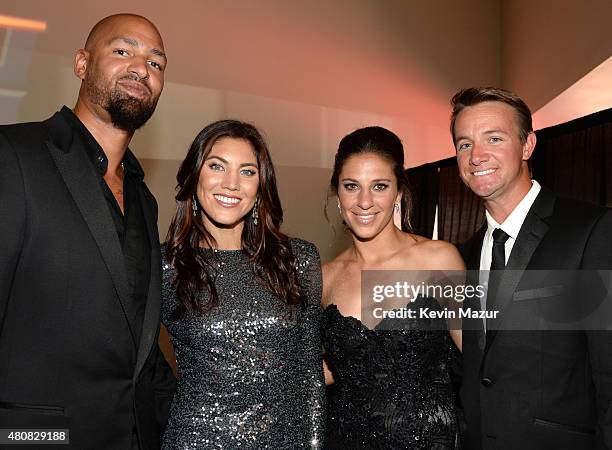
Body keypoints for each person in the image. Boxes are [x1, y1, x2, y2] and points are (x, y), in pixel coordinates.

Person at [0, 14, 175, 449]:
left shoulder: (144, 200)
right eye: (123, 51)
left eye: (156, 63)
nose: (142, 68)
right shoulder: (13, 155)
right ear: (81, 63)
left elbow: (140, 345)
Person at [451, 86, 612, 449]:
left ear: (527, 145)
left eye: (494, 138)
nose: (477, 156)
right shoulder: (464, 255)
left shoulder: (591, 231)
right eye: (464, 144)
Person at [160, 119, 325, 449]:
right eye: (217, 166)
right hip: (197, 440)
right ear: (195, 177)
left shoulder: (299, 259)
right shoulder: (166, 265)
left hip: (286, 441)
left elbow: (309, 373)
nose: (231, 183)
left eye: (247, 171)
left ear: (261, 186)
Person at [321, 126, 464, 449]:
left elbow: (483, 358)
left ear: (399, 192)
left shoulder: (438, 259)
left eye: (380, 186)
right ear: (337, 193)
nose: (364, 202)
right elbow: (328, 369)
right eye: (351, 186)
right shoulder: (324, 277)